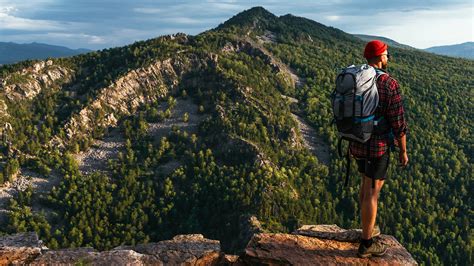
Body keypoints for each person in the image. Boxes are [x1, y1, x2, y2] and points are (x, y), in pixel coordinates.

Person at [351, 40, 408, 258]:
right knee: (373, 192)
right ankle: (367, 243)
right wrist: (403, 151)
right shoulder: (387, 83)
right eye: (387, 54)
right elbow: (398, 123)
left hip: (357, 141)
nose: (388, 58)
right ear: (380, 57)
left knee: (366, 185)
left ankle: (366, 227)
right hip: (378, 146)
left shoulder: (356, 78)